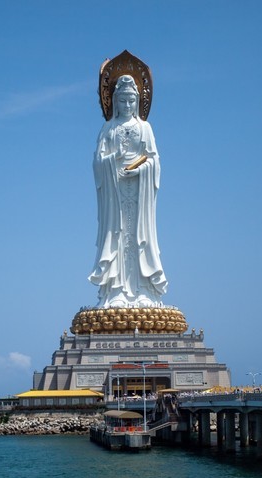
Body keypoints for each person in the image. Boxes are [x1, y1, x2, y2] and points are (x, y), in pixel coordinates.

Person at [88, 74, 167, 308]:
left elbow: (154, 161)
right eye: (123, 101)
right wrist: (115, 159)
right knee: (118, 236)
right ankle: (117, 291)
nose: (127, 105)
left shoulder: (145, 128)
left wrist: (141, 170)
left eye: (132, 100)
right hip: (115, 192)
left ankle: (144, 290)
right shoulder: (109, 128)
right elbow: (98, 162)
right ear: (115, 101)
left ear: (138, 102)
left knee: (140, 237)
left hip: (140, 191)